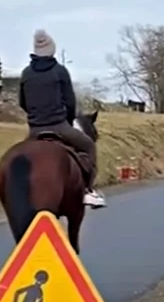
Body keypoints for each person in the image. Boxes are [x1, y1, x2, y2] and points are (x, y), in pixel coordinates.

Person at [18, 29, 107, 208]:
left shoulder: (26, 73)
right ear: (52, 49)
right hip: (59, 126)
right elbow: (70, 101)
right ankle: (87, 191)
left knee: (20, 161)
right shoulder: (60, 71)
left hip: (35, 130)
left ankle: (20, 195)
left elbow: (22, 102)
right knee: (88, 146)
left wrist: (35, 117)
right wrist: (67, 119)